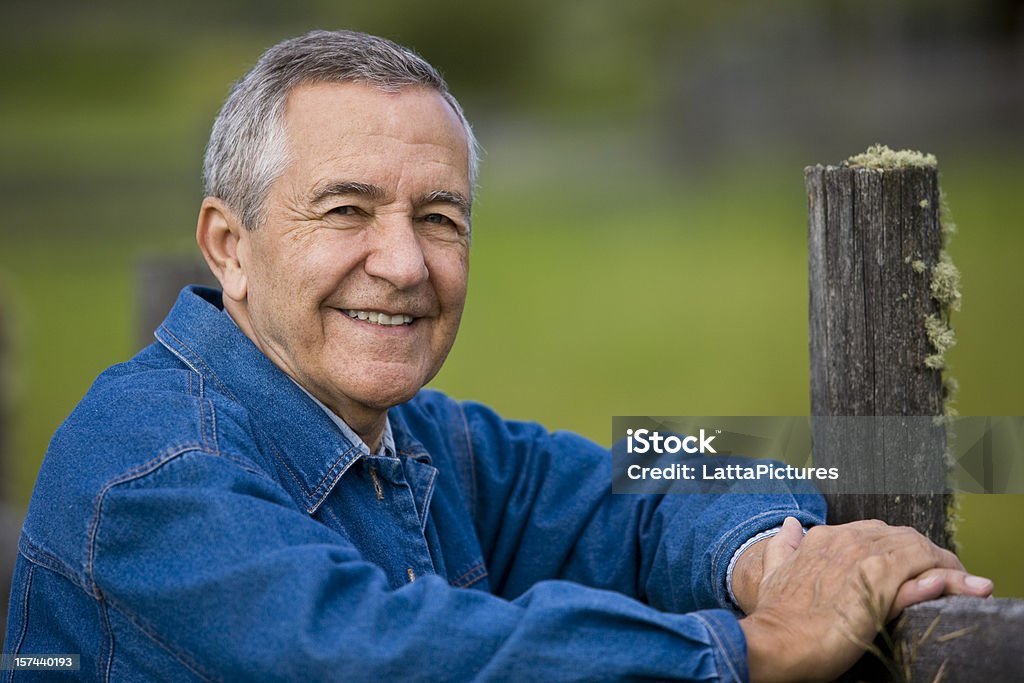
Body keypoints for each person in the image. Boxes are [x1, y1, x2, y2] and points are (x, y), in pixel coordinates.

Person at [2, 30, 992, 682]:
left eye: (439, 218)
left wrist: (773, 550)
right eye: (347, 210)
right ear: (229, 245)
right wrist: (752, 642)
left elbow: (653, 467)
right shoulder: (149, 470)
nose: (402, 263)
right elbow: (376, 654)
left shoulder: (414, 437)